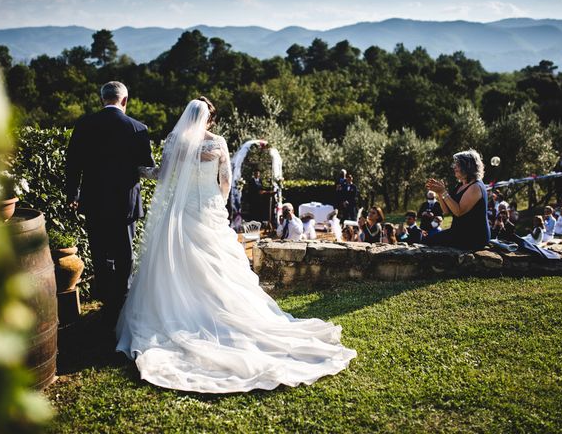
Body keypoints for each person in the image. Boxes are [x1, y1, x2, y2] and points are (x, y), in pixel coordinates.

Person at [116, 98, 355, 393]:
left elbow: (162, 175)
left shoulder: (175, 140)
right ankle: (214, 310)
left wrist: (137, 168)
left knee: (175, 262)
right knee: (218, 266)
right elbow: (226, 182)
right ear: (211, 120)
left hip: (181, 215)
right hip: (209, 211)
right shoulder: (217, 143)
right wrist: (216, 204)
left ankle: (183, 309)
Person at [66, 81, 155, 330]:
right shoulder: (137, 128)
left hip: (94, 201)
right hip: (125, 202)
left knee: (100, 254)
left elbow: (72, 163)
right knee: (124, 255)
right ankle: (122, 305)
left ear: (102, 99)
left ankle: (107, 305)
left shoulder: (84, 124)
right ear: (124, 101)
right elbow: (146, 165)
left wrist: (73, 193)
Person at [425, 149, 491, 251]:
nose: (454, 167)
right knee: (426, 240)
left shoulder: (475, 187)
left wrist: (443, 192)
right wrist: (439, 193)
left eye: (458, 165)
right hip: (459, 233)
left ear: (468, 167)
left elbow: (458, 211)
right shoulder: (461, 184)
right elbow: (446, 211)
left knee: (428, 242)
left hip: (473, 237)